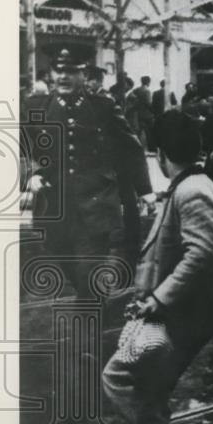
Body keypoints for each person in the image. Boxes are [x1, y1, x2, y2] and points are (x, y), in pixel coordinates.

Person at [100, 110, 213, 424]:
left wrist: (157, 299)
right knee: (149, 384)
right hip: (182, 310)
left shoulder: (191, 191)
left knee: (118, 376)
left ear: (161, 155)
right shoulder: (196, 185)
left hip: (181, 313)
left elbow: (201, 254)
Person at [20, 43, 152, 300]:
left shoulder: (102, 106)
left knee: (89, 276)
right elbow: (23, 147)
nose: (63, 77)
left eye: (70, 71)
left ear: (84, 75)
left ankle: (91, 328)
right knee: (66, 266)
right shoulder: (38, 106)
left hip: (95, 210)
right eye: (58, 71)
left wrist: (145, 190)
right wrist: (31, 174)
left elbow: (131, 148)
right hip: (55, 209)